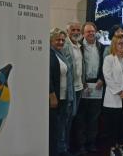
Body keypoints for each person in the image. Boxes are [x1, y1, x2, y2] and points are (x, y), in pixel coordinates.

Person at [75, 22, 105, 154]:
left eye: (93, 31)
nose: (91, 33)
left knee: (94, 117)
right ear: (83, 33)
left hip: (97, 85)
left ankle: (91, 142)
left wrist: (102, 79)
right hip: (83, 85)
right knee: (81, 117)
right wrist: (82, 81)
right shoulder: (78, 46)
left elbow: (105, 65)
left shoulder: (101, 47)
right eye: (88, 32)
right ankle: (80, 144)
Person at [49, 28, 76, 156]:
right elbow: (47, 76)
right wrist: (51, 94)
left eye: (62, 40)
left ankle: (61, 150)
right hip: (55, 98)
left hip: (64, 96)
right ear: (50, 40)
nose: (60, 42)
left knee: (62, 126)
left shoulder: (61, 54)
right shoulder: (49, 54)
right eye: (57, 40)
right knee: (55, 128)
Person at [63, 22, 85, 153]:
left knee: (73, 119)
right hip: (69, 89)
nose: (76, 32)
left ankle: (68, 146)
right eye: (73, 30)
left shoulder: (79, 46)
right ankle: (64, 148)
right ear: (68, 32)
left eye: (78, 30)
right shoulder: (65, 45)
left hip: (79, 88)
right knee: (66, 120)